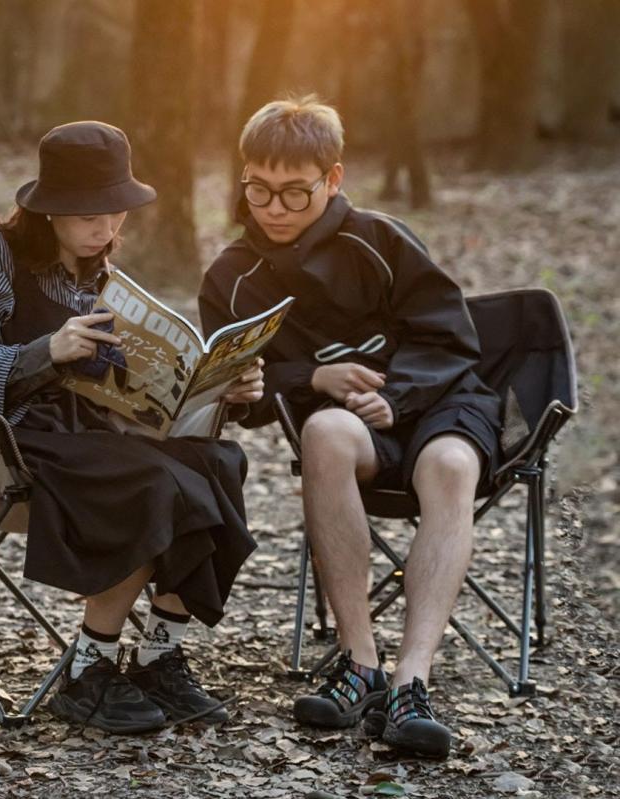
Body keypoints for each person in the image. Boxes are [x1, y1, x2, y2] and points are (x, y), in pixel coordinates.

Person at [0, 121, 263, 734]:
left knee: (218, 464)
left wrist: (217, 388)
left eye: (115, 214)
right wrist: (46, 351)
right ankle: (89, 670)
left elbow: (123, 387)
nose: (106, 229)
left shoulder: (97, 272)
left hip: (83, 431)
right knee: (150, 482)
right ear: (50, 212)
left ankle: (158, 655)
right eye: (88, 217)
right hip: (1, 442)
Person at [199, 96, 502, 758]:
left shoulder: (379, 239)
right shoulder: (230, 275)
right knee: (324, 432)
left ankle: (409, 681)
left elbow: (451, 339)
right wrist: (296, 378)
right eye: (257, 190)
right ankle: (359, 662)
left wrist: (396, 394)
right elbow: (242, 398)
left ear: (332, 179)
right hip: (348, 432)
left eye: (293, 192)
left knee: (450, 467)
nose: (273, 208)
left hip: (439, 404)